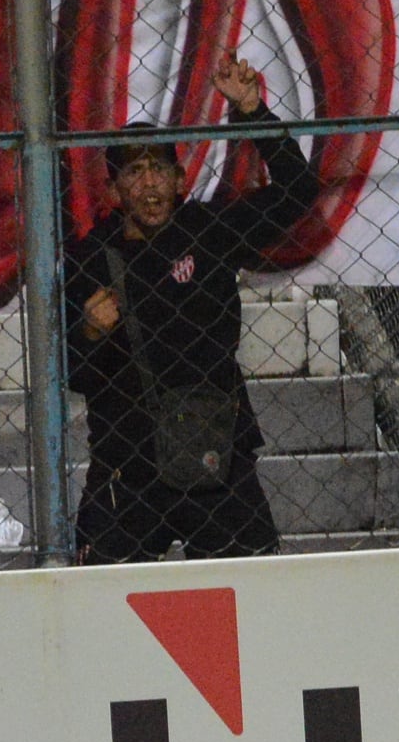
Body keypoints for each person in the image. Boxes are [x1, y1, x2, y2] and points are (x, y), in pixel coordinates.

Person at [64, 55, 321, 567]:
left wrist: (252, 112)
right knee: (103, 603)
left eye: (159, 168)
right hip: (128, 460)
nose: (149, 183)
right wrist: (91, 332)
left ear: (181, 180)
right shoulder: (89, 257)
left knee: (252, 594)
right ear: (114, 191)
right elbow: (76, 374)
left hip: (216, 451)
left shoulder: (208, 229)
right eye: (134, 172)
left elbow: (297, 192)